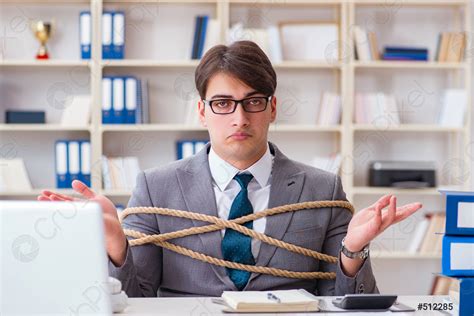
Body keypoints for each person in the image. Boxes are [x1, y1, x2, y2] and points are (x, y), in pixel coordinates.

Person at [38, 41, 422, 297]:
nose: (239, 117)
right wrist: (117, 248)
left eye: (252, 101)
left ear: (272, 108)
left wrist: (353, 250)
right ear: (202, 111)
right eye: (223, 103)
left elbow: (349, 306)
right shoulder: (156, 188)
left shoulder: (322, 187)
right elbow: (138, 300)